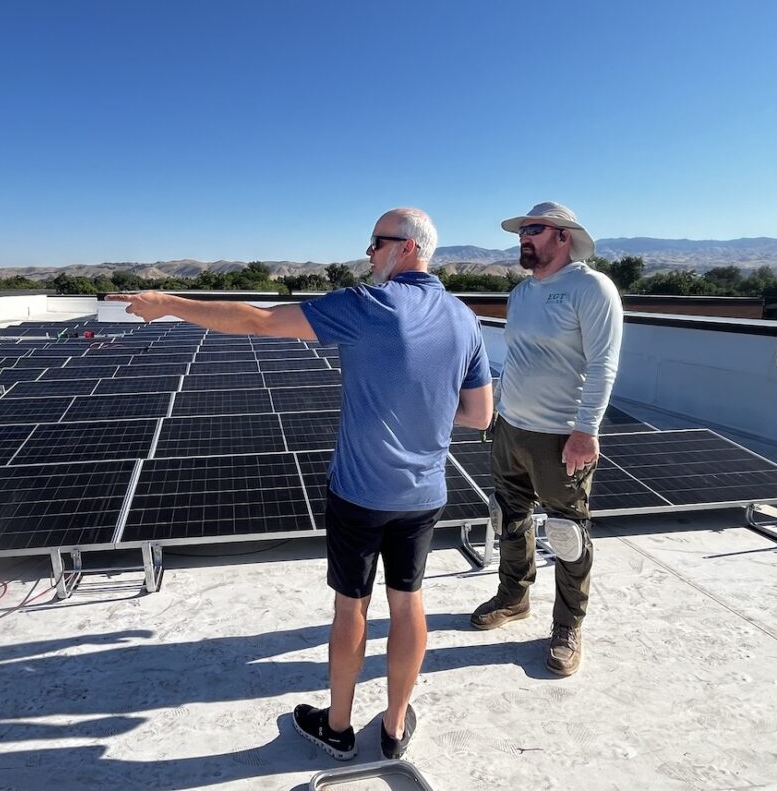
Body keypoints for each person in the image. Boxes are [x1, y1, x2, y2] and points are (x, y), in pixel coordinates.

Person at [108, 208, 492, 759]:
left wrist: (168, 304)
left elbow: (258, 321)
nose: (368, 252)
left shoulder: (368, 304)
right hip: (423, 495)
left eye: (375, 243)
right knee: (408, 605)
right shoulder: (464, 317)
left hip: (360, 493)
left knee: (350, 607)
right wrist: (423, 410)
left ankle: (337, 727)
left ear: (405, 248)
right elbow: (478, 415)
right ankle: (393, 727)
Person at [470, 201, 623, 678]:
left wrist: (586, 430)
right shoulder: (521, 293)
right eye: (521, 231)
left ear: (563, 236)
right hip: (511, 427)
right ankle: (514, 597)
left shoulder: (592, 288)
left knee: (567, 533)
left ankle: (568, 625)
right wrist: (498, 413)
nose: (524, 238)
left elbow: (603, 365)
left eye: (533, 230)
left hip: (561, 436)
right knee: (510, 519)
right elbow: (516, 359)